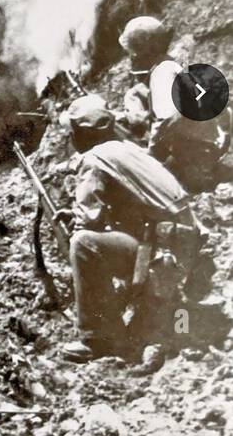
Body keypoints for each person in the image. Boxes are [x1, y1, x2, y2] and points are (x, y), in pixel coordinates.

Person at [58, 95, 209, 362]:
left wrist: (75, 221)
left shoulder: (93, 160)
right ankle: (164, 316)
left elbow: (87, 223)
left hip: (166, 252)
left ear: (81, 135)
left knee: (82, 243)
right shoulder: (127, 149)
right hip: (186, 243)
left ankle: (99, 338)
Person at [118, 15, 232, 193]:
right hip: (208, 144)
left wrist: (152, 154)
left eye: (134, 50)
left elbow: (168, 117)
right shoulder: (171, 65)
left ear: (143, 49)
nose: (132, 56)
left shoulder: (162, 73)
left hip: (197, 156)